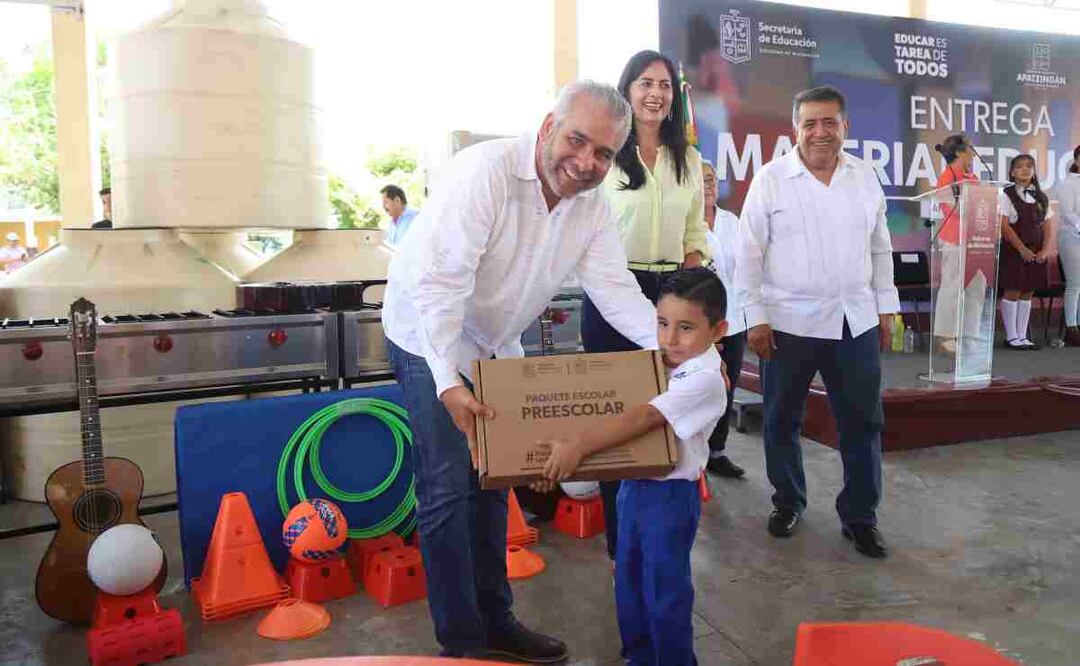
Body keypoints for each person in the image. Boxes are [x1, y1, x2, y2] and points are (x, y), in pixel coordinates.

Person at [382, 80, 659, 662]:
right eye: (577, 141)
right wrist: (449, 383)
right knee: (447, 489)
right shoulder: (484, 173)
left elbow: (614, 288)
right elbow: (442, 287)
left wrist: (682, 350)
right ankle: (462, 645)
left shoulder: (592, 207)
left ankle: (496, 621)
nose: (586, 164)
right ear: (547, 127)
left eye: (603, 154)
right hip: (428, 333)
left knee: (495, 480)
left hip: (496, 343)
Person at [736, 85, 899, 559]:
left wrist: (885, 307)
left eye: (830, 122)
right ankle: (788, 501)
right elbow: (747, 254)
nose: (820, 132)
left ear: (845, 126)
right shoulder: (771, 179)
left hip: (856, 321)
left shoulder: (865, 176)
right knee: (782, 419)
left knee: (863, 422)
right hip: (786, 323)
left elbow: (880, 247)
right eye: (810, 123)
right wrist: (756, 316)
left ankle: (860, 517)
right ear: (795, 129)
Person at [539, 267, 728, 666]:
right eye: (662, 323)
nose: (669, 338)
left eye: (686, 328)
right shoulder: (658, 360)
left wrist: (575, 446)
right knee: (628, 580)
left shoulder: (705, 377)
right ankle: (638, 658)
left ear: (718, 330)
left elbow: (643, 417)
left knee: (665, 591)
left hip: (670, 496)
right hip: (631, 489)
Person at [581, 49, 710, 566]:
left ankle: (658, 536)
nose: (655, 93)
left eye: (664, 85)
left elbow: (696, 229)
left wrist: (691, 287)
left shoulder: (690, 158)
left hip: (673, 293)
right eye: (644, 83)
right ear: (627, 90)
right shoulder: (609, 153)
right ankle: (620, 544)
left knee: (665, 417)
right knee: (618, 420)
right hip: (613, 291)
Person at [702, 160, 746, 478]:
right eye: (702, 179)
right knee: (700, 387)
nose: (709, 184)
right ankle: (694, 456)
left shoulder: (731, 221)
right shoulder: (686, 224)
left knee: (726, 389)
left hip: (735, 320)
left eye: (713, 179)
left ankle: (717, 452)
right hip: (701, 324)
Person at [932, 135, 985, 355]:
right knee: (953, 287)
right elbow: (950, 209)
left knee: (977, 287)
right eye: (970, 150)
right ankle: (945, 335)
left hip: (977, 239)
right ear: (960, 153)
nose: (973, 154)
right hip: (955, 238)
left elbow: (983, 204)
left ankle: (970, 334)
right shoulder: (947, 178)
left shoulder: (972, 177)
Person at [998, 154, 1057, 350]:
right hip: (1015, 250)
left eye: (1029, 166)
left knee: (1027, 292)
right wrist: (1021, 249)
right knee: (1013, 290)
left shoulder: (1041, 196)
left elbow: (1048, 226)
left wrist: (1046, 250)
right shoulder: (1005, 194)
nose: (1025, 170)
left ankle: (1023, 336)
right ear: (1012, 172)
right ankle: (1011, 336)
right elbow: (1004, 226)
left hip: (1036, 251)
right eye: (1020, 167)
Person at [1054, 145, 1080, 347]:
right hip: (1071, 236)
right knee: (1075, 283)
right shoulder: (1067, 184)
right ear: (1077, 160)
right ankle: (1072, 329)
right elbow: (1068, 213)